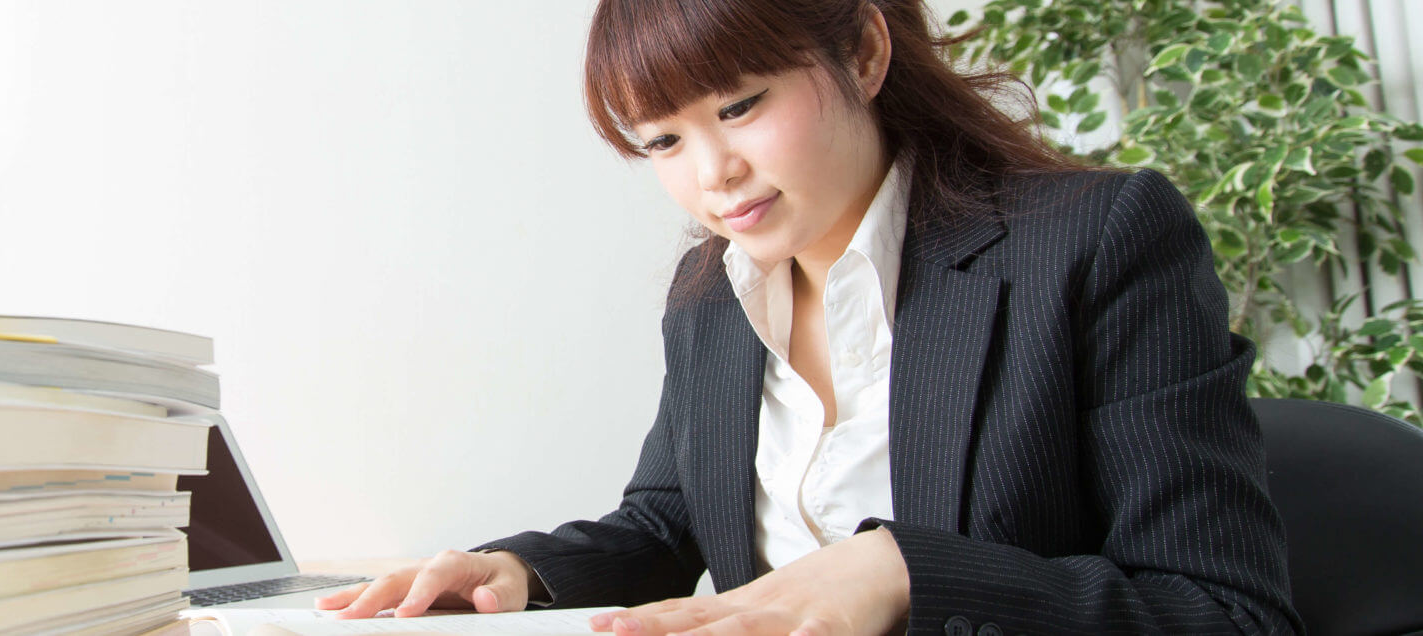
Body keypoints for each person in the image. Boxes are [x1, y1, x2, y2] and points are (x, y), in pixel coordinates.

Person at [314, 0, 1301, 633]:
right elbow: (665, 523)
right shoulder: (711, 296)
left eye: (740, 105)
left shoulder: (1099, 243)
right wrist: (514, 572)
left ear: (865, 51)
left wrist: (910, 571)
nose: (712, 175)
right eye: (662, 140)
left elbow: (1224, 610)